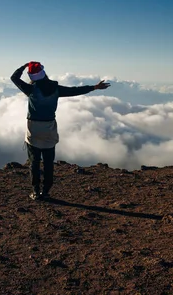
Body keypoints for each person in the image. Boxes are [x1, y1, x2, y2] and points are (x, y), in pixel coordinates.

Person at [11, 62, 110, 200]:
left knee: (34, 162)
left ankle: (35, 191)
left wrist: (24, 66)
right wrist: (94, 87)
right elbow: (75, 90)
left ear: (31, 76)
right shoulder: (56, 89)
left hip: (33, 129)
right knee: (48, 162)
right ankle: (46, 191)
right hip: (50, 129)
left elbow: (14, 78)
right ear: (44, 73)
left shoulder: (30, 89)